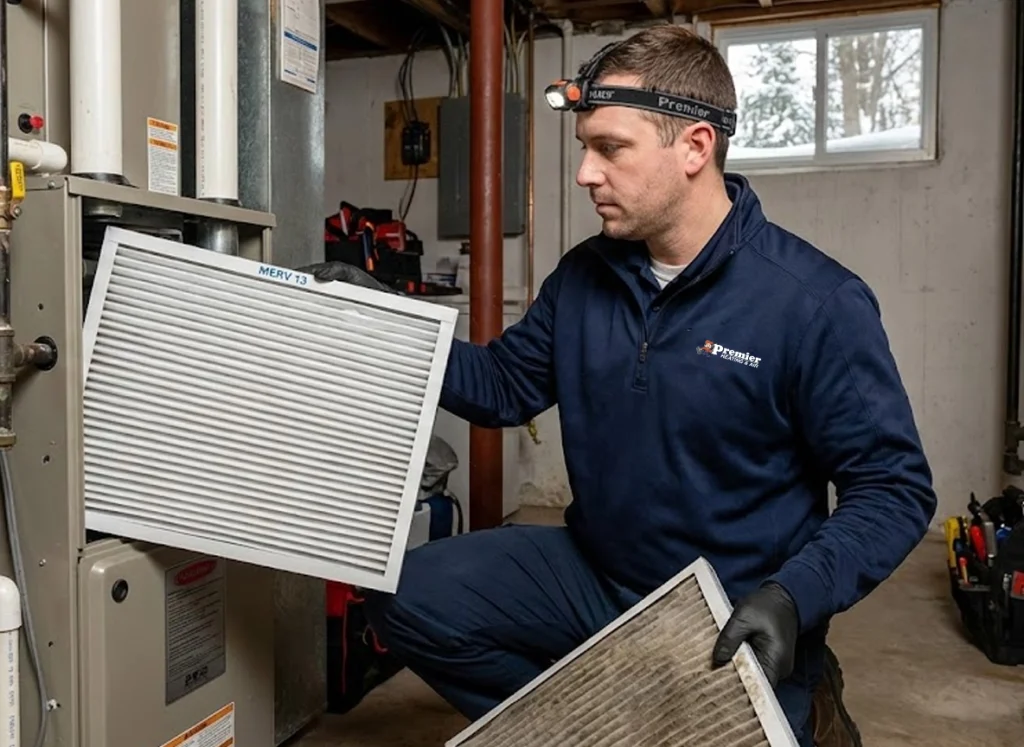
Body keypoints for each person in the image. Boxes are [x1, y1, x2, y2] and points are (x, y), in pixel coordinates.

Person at [310, 25, 936, 747]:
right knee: (411, 596)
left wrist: (793, 600)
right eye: (585, 146)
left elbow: (894, 490)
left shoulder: (813, 302)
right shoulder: (585, 276)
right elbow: (503, 385)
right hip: (596, 572)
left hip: (727, 603)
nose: (584, 172)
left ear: (695, 147)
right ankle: (588, 729)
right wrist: (386, 324)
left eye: (610, 148)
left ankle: (808, 696)